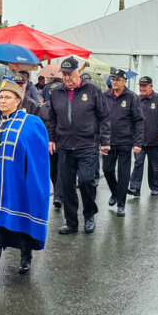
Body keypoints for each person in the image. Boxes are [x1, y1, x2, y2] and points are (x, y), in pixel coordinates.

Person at [0, 79, 50, 288]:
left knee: (20, 221)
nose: (3, 101)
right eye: (0, 97)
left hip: (18, 184)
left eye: (8, 97)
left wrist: (33, 184)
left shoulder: (30, 123)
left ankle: (26, 253)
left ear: (18, 101)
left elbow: (37, 159)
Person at [47, 56, 111, 235]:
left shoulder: (92, 90)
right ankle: (71, 222)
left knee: (86, 181)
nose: (67, 78)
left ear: (78, 72)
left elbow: (104, 116)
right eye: (64, 74)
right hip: (65, 146)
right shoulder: (57, 92)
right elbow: (52, 119)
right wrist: (51, 139)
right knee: (67, 186)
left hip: (87, 145)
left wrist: (105, 141)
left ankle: (89, 215)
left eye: (70, 74)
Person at [102, 69, 143, 217]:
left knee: (123, 173)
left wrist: (138, 142)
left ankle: (121, 205)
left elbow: (139, 120)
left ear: (125, 81)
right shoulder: (104, 96)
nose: (115, 82)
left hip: (125, 141)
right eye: (113, 79)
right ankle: (115, 192)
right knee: (107, 170)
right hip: (108, 141)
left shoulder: (131, 97)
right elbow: (99, 117)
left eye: (118, 80)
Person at [130, 76, 158, 197]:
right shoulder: (136, 100)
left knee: (154, 165)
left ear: (151, 86)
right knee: (138, 163)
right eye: (140, 86)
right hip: (139, 140)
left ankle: (154, 187)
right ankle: (135, 188)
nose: (142, 88)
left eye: (145, 86)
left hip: (155, 139)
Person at [41, 73, 66, 208]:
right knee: (53, 171)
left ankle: (58, 196)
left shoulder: (65, 107)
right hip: (48, 143)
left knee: (61, 170)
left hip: (62, 142)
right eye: (51, 91)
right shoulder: (43, 108)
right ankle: (59, 191)